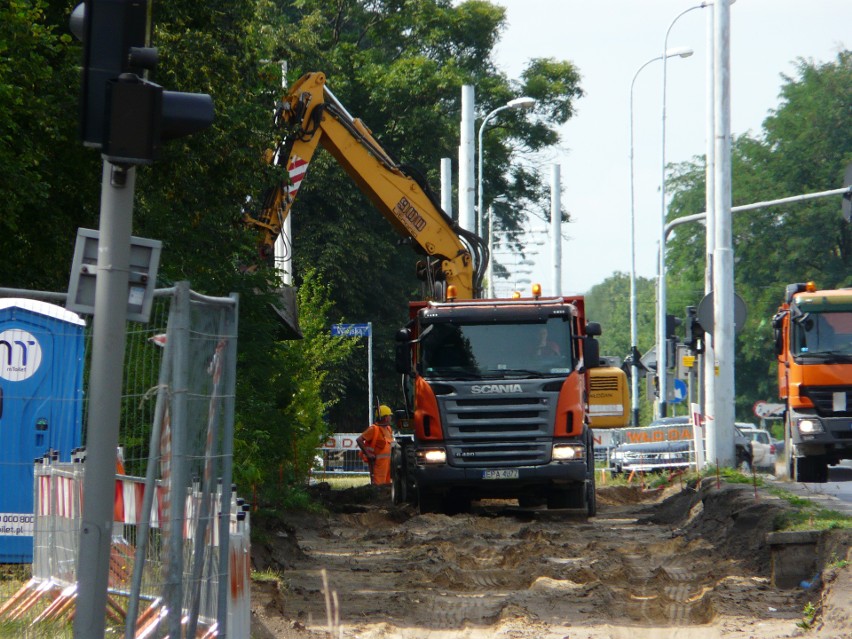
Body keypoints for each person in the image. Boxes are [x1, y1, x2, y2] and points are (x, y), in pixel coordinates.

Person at [357, 405, 394, 486]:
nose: (391, 418)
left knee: (388, 487)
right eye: (390, 416)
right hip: (378, 465)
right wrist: (368, 454)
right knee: (379, 487)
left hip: (388, 464)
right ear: (386, 417)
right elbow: (359, 440)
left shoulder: (388, 429)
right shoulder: (373, 429)